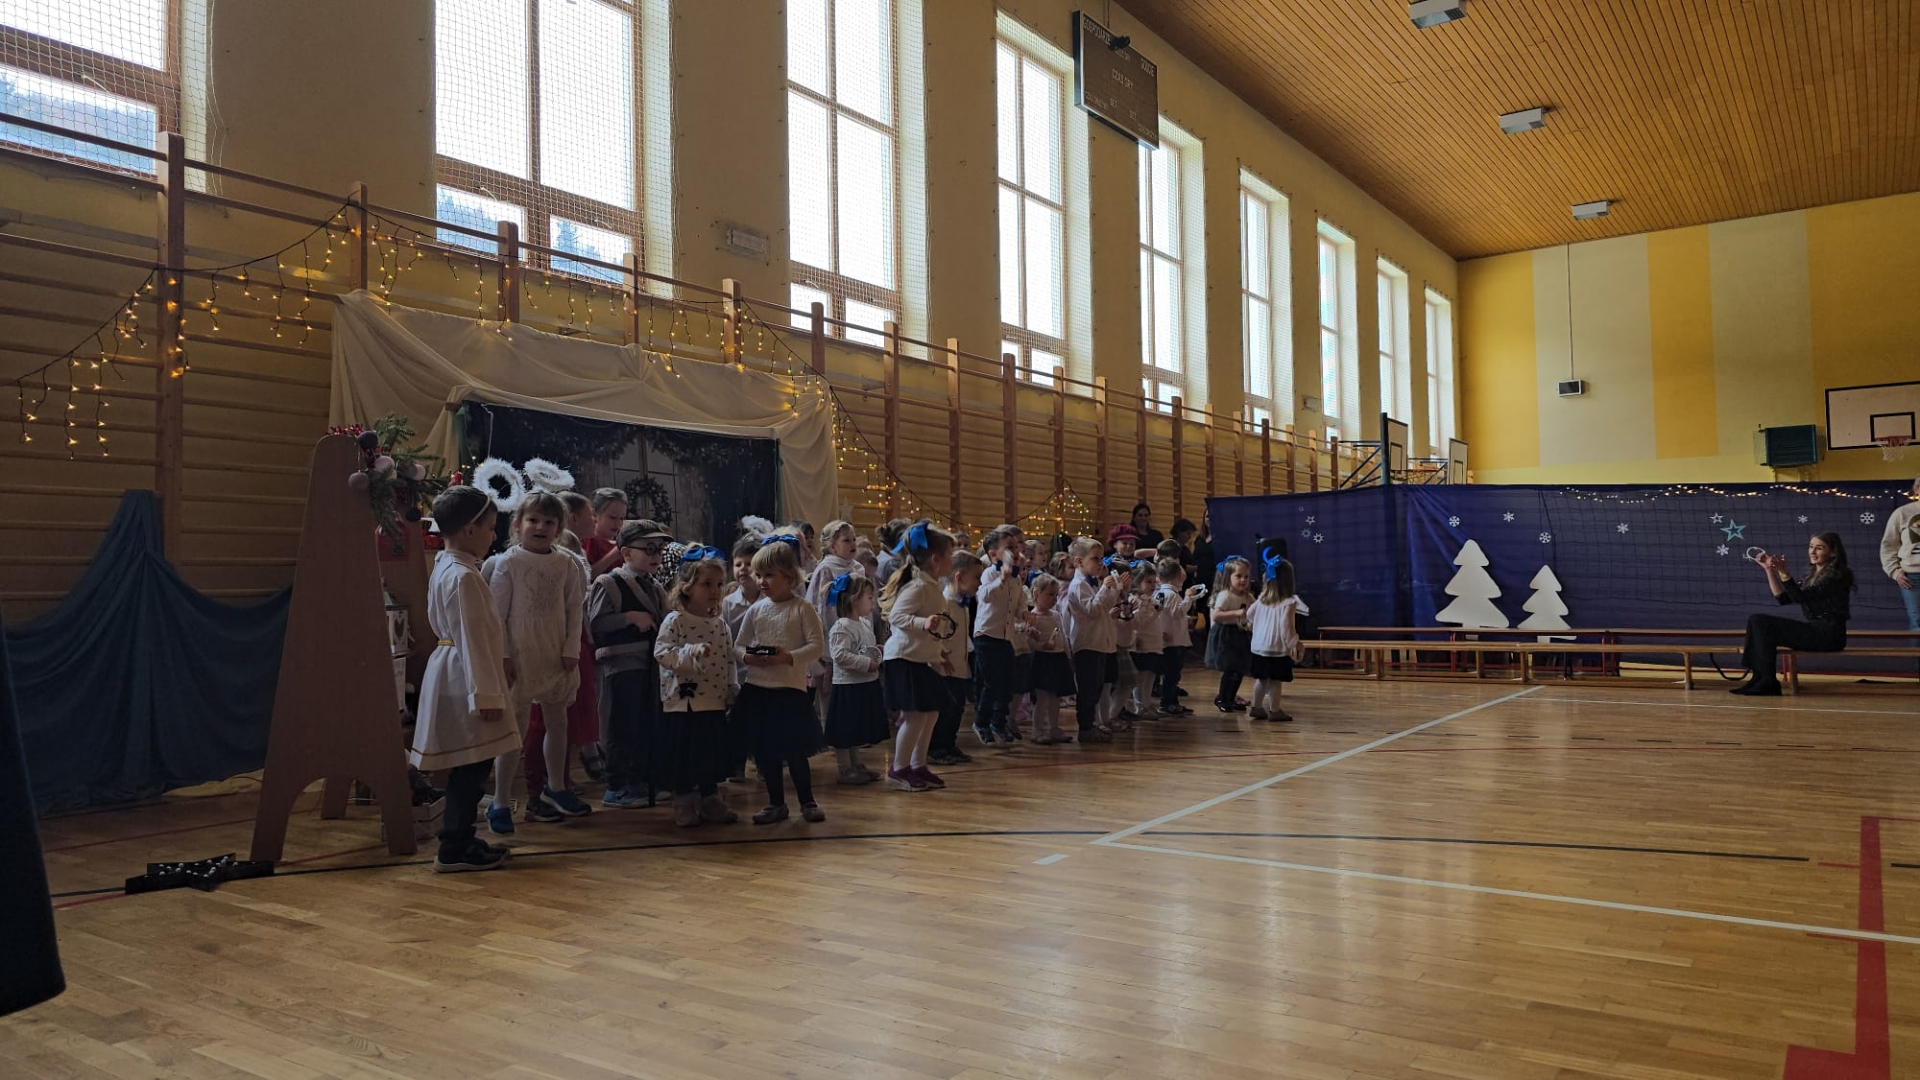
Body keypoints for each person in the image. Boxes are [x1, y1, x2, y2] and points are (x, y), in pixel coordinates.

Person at [410, 486, 517, 873]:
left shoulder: (448, 564)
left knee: (470, 764)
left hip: (454, 668)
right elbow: (472, 639)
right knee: (472, 765)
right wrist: (486, 695)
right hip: (465, 675)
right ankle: (454, 845)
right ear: (470, 530)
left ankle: (460, 839)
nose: (493, 535)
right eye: (489, 528)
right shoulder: (464, 576)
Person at [483, 493, 587, 834]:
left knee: (558, 722)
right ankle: (500, 801)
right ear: (517, 524)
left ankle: (555, 786)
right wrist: (504, 656)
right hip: (520, 655)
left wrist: (571, 648)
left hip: (554, 652)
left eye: (549, 522)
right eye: (533, 520)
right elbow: (497, 616)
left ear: (558, 529)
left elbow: (574, 609)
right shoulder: (508, 563)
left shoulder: (567, 564)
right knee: (514, 731)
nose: (541, 527)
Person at [733, 535, 828, 822]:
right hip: (758, 689)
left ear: (789, 576)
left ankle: (807, 801)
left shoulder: (802, 608)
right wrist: (748, 657)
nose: (762, 581)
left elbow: (816, 646)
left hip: (789, 690)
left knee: (794, 750)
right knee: (767, 752)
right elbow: (738, 645)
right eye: (758, 575)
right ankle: (776, 803)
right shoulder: (756, 610)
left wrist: (788, 657)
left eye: (769, 575)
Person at [651, 546, 741, 827]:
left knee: (708, 753)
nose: (715, 591)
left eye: (719, 584)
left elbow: (728, 658)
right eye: (707, 584)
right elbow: (662, 653)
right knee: (685, 754)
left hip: (712, 700)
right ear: (687, 586)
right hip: (684, 702)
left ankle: (710, 798)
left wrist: (731, 686)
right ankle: (684, 800)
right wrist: (690, 653)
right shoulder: (675, 621)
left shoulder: (720, 625)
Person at [587, 519, 671, 808]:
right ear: (626, 553)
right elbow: (596, 623)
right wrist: (629, 618)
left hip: (650, 664)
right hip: (622, 664)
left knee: (645, 722)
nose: (655, 555)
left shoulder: (655, 586)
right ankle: (617, 784)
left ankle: (641, 779)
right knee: (622, 724)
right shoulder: (609, 583)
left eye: (659, 549)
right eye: (648, 548)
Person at [881, 522, 956, 791]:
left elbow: (931, 630)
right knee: (915, 716)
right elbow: (896, 616)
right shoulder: (918, 587)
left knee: (931, 712)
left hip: (919, 659)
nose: (952, 560)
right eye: (950, 555)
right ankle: (899, 768)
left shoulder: (932, 586)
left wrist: (940, 652)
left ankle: (917, 764)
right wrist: (923, 623)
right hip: (903, 659)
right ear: (936, 559)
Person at [1732, 532, 1854, 696]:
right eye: (1811, 547)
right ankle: (1759, 678)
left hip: (1829, 635)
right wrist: (1770, 570)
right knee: (1756, 621)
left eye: (1819, 548)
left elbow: (1799, 597)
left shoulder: (1839, 575)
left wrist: (1784, 572)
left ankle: (1767, 682)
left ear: (1832, 553)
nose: (1812, 552)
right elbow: (1783, 598)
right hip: (1815, 629)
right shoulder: (1812, 575)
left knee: (1761, 622)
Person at [824, 574, 888, 784]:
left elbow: (861, 647)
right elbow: (840, 655)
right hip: (848, 686)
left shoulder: (863, 623)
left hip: (863, 683)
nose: (872, 602)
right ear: (854, 599)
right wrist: (865, 663)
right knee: (845, 730)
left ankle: (856, 764)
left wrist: (875, 650)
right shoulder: (842, 626)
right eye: (869, 598)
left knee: (855, 728)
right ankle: (845, 768)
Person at [1063, 538, 1125, 742]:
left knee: (1097, 687)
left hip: (1098, 642)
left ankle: (1091, 724)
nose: (1101, 563)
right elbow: (1091, 609)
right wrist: (1105, 588)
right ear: (1079, 561)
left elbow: (1105, 607)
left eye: (1102, 558)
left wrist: (1117, 588)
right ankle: (1085, 728)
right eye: (1095, 559)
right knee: (1088, 689)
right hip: (1086, 644)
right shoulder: (1078, 585)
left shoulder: (1091, 583)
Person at [929, 550, 982, 766]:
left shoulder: (963, 605)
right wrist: (941, 656)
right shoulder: (944, 604)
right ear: (959, 577)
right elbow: (936, 636)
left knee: (957, 708)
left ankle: (950, 744)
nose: (979, 583)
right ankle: (937, 748)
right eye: (976, 577)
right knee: (944, 710)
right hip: (944, 668)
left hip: (959, 666)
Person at [972, 528, 1022, 745]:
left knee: (1008, 683)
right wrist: (1001, 579)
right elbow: (983, 596)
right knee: (992, 683)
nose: (1015, 551)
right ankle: (981, 722)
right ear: (993, 555)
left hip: (1005, 637)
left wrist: (1025, 614)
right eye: (1009, 548)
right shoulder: (990, 574)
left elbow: (1018, 603)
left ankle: (998, 722)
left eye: (1016, 547)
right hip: (987, 635)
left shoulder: (1016, 579)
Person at [1245, 555, 1308, 721]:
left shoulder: (1261, 600)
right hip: (1277, 648)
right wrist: (1295, 643)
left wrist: (1254, 626)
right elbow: (1287, 627)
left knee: (1261, 679)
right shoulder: (1289, 602)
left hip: (1259, 647)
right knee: (1275, 681)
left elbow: (1249, 615)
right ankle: (1275, 710)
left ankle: (1256, 707)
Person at [1023, 572, 1075, 743]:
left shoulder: (1056, 615)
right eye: (1050, 594)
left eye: (1056, 595)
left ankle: (1054, 728)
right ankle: (1037, 730)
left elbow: (1063, 636)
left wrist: (1068, 655)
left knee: (1055, 697)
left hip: (1058, 659)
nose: (1054, 598)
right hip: (1042, 660)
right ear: (1036, 594)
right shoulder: (1033, 617)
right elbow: (1030, 642)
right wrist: (1043, 645)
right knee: (1042, 698)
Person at [1155, 557, 1204, 715]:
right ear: (1176, 578)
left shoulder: (1159, 593)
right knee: (1172, 675)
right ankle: (1167, 703)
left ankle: (1172, 701)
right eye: (1181, 580)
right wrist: (1188, 597)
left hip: (1167, 639)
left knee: (1170, 674)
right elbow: (1177, 612)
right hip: (1174, 641)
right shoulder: (1172, 594)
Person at [1206, 556, 1254, 713]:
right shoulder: (1225, 595)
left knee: (1239, 669)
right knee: (1230, 669)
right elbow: (1216, 616)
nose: (1243, 580)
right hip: (1226, 635)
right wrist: (1236, 613)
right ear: (1229, 577)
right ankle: (1222, 698)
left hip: (1240, 634)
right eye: (1238, 576)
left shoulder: (1248, 597)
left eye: (1246, 576)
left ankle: (1231, 698)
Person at [1881, 475, 1920, 630]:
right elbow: (1888, 546)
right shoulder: (1902, 513)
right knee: (1917, 622)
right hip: (1913, 577)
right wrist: (1895, 572)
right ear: (1917, 489)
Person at [1126, 561, 1164, 719]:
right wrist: (1155, 613)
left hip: (1153, 644)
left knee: (1150, 676)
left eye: (1154, 582)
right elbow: (1137, 623)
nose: (1153, 586)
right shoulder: (1136, 601)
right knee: (1141, 678)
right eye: (1149, 582)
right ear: (1137, 582)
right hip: (1143, 644)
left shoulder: (1150, 599)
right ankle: (1139, 706)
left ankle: (1147, 704)